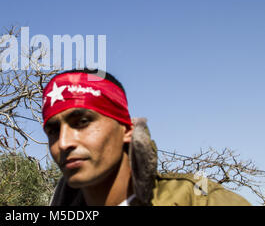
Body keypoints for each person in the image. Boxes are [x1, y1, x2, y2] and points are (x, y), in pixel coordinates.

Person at [42, 68, 251, 206]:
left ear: (127, 129)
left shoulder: (202, 201)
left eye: (83, 122)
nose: (64, 142)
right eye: (53, 131)